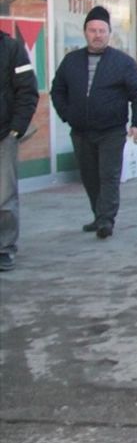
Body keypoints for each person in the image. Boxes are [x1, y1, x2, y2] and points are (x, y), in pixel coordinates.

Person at [50, 6, 137, 239]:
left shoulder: (122, 62)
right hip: (81, 130)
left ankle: (106, 220)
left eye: (102, 31)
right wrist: (67, 114)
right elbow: (57, 90)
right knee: (89, 176)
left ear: (109, 33)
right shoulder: (72, 61)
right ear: (85, 32)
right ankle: (98, 215)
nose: (97, 35)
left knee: (109, 176)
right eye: (93, 30)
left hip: (111, 130)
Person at [0, 28, 38, 271]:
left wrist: (16, 129)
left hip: (4, 135)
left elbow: (27, 89)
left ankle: (4, 249)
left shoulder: (11, 48)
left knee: (4, 198)